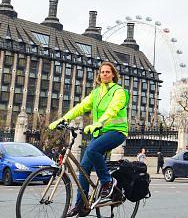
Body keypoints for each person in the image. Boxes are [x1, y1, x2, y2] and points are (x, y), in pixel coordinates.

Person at [48, 62, 129, 217]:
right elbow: (81, 107)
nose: (104, 74)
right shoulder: (96, 93)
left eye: (108, 72)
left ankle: (107, 182)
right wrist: (63, 119)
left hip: (116, 132)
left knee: (92, 150)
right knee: (84, 168)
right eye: (102, 72)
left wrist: (100, 122)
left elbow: (113, 109)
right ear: (99, 75)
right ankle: (81, 205)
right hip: (99, 133)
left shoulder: (119, 92)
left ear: (113, 75)